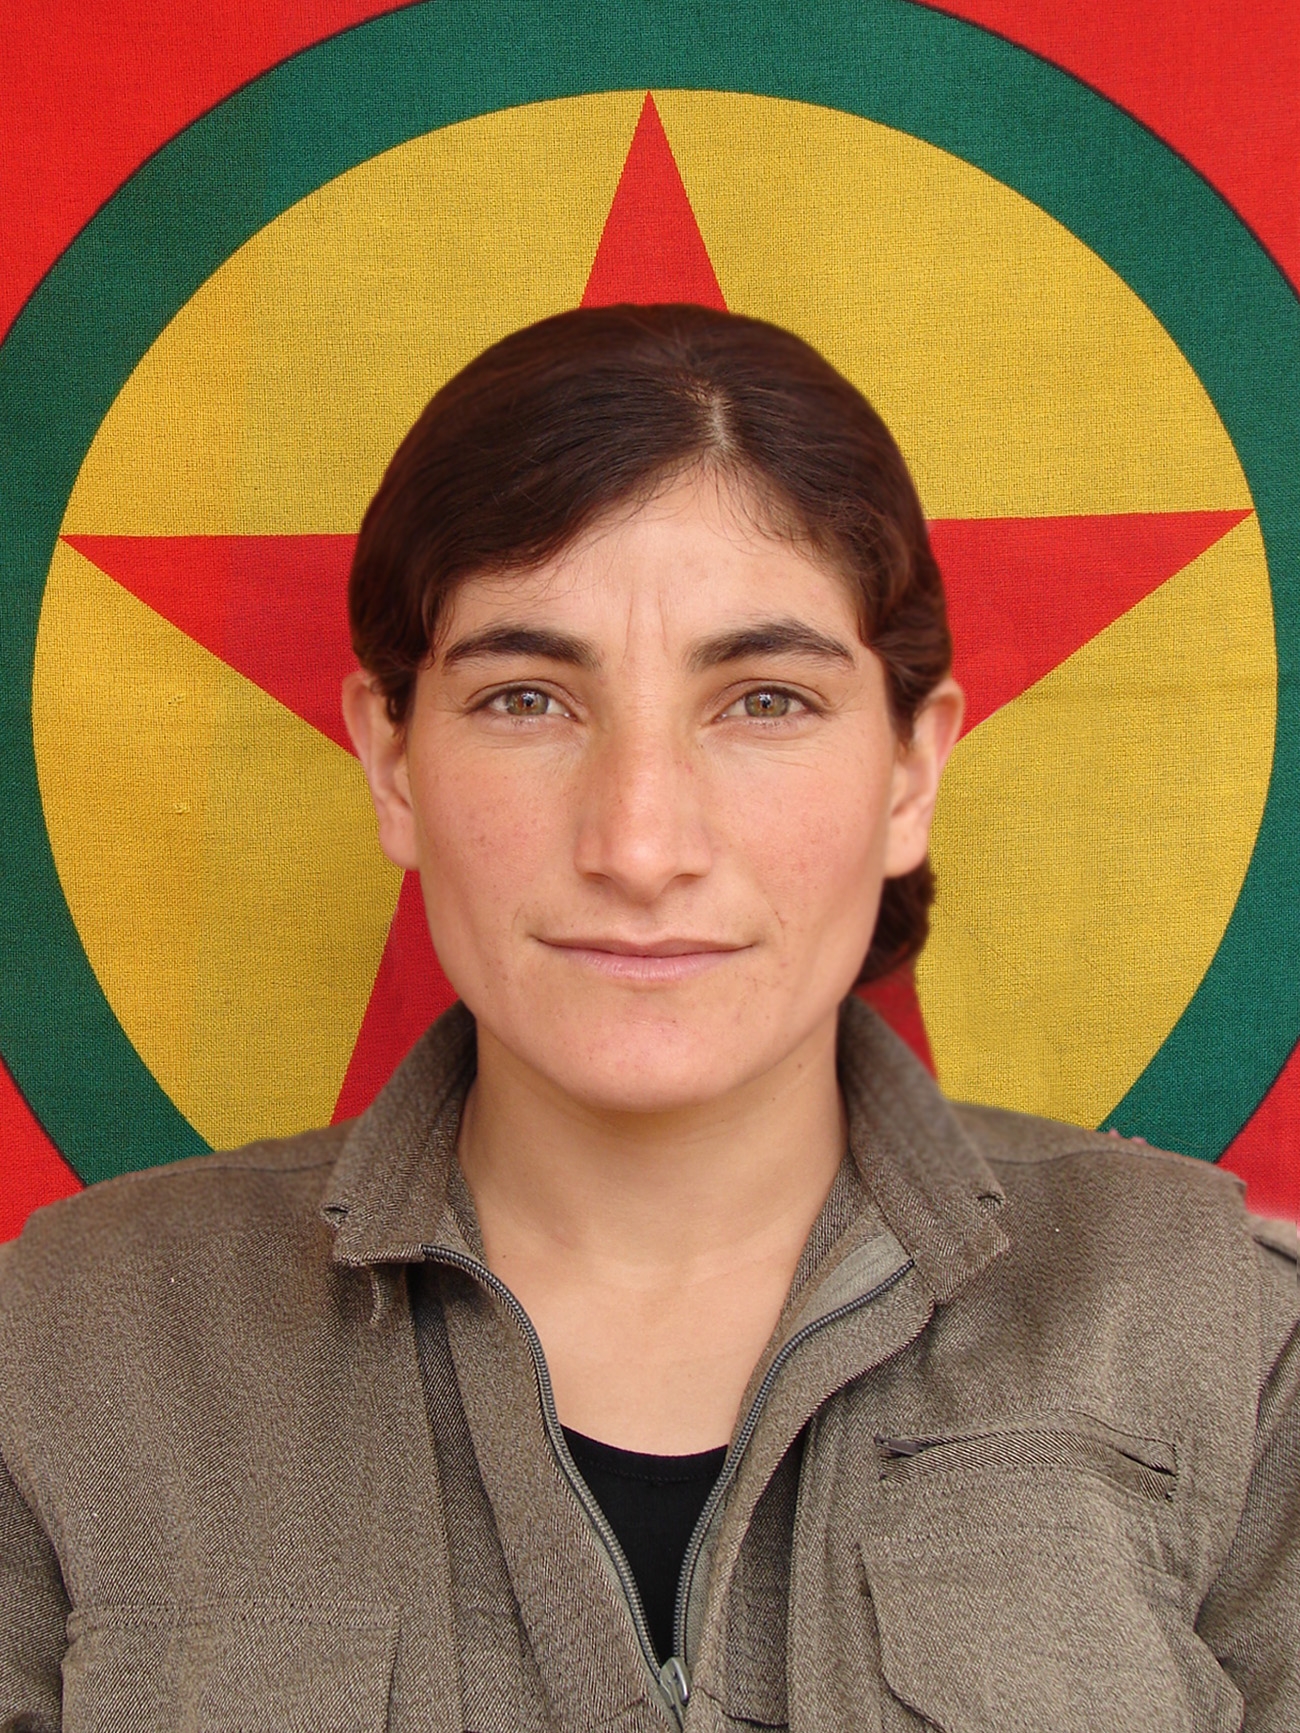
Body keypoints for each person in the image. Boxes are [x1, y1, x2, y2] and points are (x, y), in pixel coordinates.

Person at [1, 304, 1297, 1732]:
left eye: (764, 700)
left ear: (911, 774)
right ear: (392, 762)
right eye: (526, 699)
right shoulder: (62, 1354)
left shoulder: (1231, 1344)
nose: (637, 843)